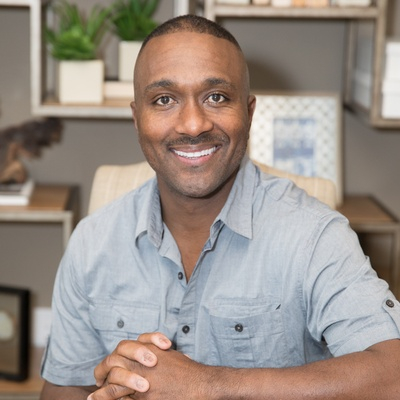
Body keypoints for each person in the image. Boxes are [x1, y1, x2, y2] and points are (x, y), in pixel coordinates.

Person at [40, 14, 400, 400]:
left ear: (249, 112)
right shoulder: (92, 241)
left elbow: (393, 375)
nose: (193, 124)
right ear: (137, 118)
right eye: (164, 100)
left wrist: (207, 385)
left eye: (216, 97)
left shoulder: (314, 236)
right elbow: (66, 387)